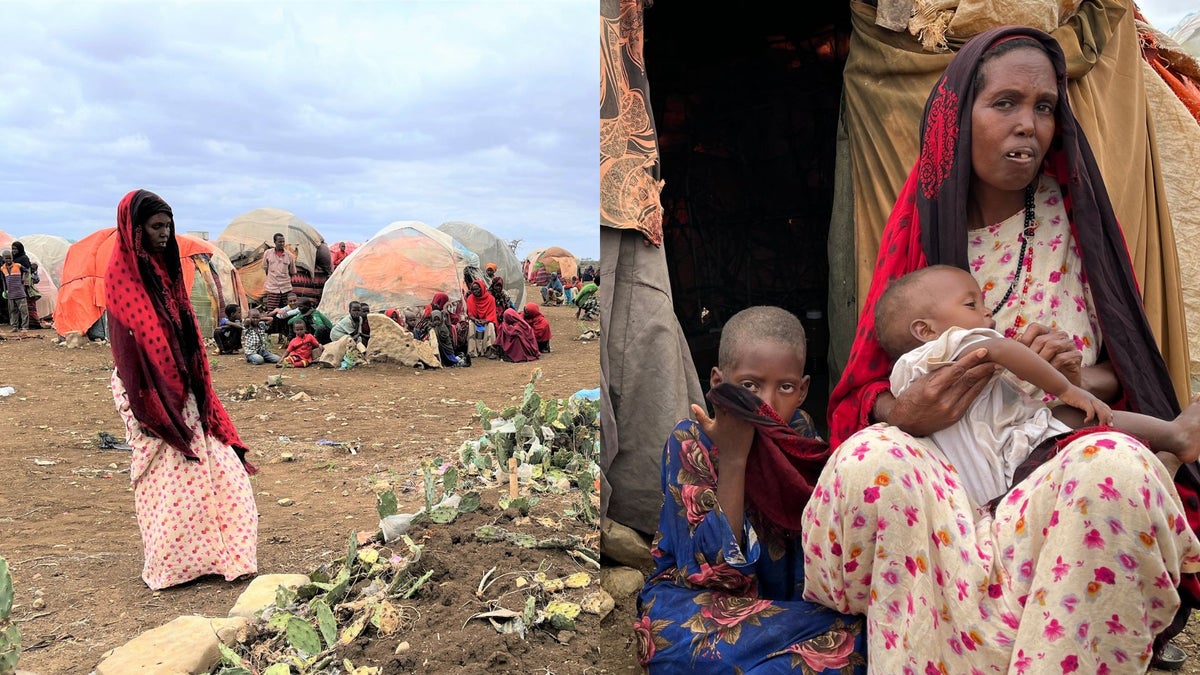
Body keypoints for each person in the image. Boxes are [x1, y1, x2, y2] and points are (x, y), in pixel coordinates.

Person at [801, 27, 1200, 672]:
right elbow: (861, 398)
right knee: (876, 457)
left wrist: (1073, 375)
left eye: (1045, 107)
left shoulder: (1078, 225)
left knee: (1117, 470)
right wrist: (906, 414)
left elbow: (1118, 378)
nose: (1028, 126)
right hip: (940, 491)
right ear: (960, 118)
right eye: (1005, 103)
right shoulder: (921, 232)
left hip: (1044, 481)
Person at [636, 306, 865, 672]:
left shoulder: (801, 434)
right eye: (749, 386)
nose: (767, 404)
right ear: (717, 382)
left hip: (787, 602)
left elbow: (823, 531)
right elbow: (710, 573)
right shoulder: (689, 440)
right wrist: (735, 459)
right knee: (672, 641)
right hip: (700, 599)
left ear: (804, 390)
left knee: (863, 631)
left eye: (785, 387)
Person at [877, 265, 1200, 506]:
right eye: (971, 304)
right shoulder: (952, 342)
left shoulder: (903, 375)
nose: (987, 310)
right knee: (1073, 415)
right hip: (1012, 451)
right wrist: (1068, 389)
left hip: (972, 486)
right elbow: (1003, 349)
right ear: (925, 329)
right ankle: (1175, 435)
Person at [105, 189, 258, 590]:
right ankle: (174, 567)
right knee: (170, 483)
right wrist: (155, 404)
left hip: (186, 390)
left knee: (221, 471)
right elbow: (131, 349)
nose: (165, 234)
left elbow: (181, 327)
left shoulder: (167, 271)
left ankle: (228, 555)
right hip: (149, 394)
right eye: (157, 226)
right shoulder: (123, 280)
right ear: (134, 230)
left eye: (168, 226)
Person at [9, 241, 42, 329]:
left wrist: (24, 284)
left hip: (24, 286)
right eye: (12, 249)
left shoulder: (24, 258)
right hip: (16, 285)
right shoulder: (13, 259)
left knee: (27, 306)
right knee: (18, 306)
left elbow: (27, 272)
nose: (14, 250)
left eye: (15, 249)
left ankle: (32, 324)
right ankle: (20, 324)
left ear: (20, 249)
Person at [261, 232, 296, 313]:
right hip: (272, 288)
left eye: (283, 241)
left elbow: (292, 271)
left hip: (286, 287)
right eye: (280, 242)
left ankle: (286, 326)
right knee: (272, 311)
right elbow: (265, 268)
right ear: (275, 242)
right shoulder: (268, 253)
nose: (282, 243)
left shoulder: (289, 255)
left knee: (288, 311)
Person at [465, 280, 498, 359]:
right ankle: (472, 350)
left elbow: (492, 314)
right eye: (473, 290)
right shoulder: (470, 298)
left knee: (490, 325)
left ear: (482, 288)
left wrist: (485, 321)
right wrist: (475, 320)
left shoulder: (490, 299)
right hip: (476, 321)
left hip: (486, 321)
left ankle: (489, 350)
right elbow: (470, 314)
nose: (475, 291)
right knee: (470, 324)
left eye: (477, 289)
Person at [1, 249, 29, 332]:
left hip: (20, 292)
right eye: (6, 258)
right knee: (12, 311)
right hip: (10, 293)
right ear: (3, 259)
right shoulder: (2, 268)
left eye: (10, 258)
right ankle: (15, 327)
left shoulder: (18, 265)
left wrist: (24, 280)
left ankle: (25, 327)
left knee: (24, 311)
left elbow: (27, 271)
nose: (8, 260)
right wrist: (5, 290)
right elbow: (3, 280)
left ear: (12, 258)